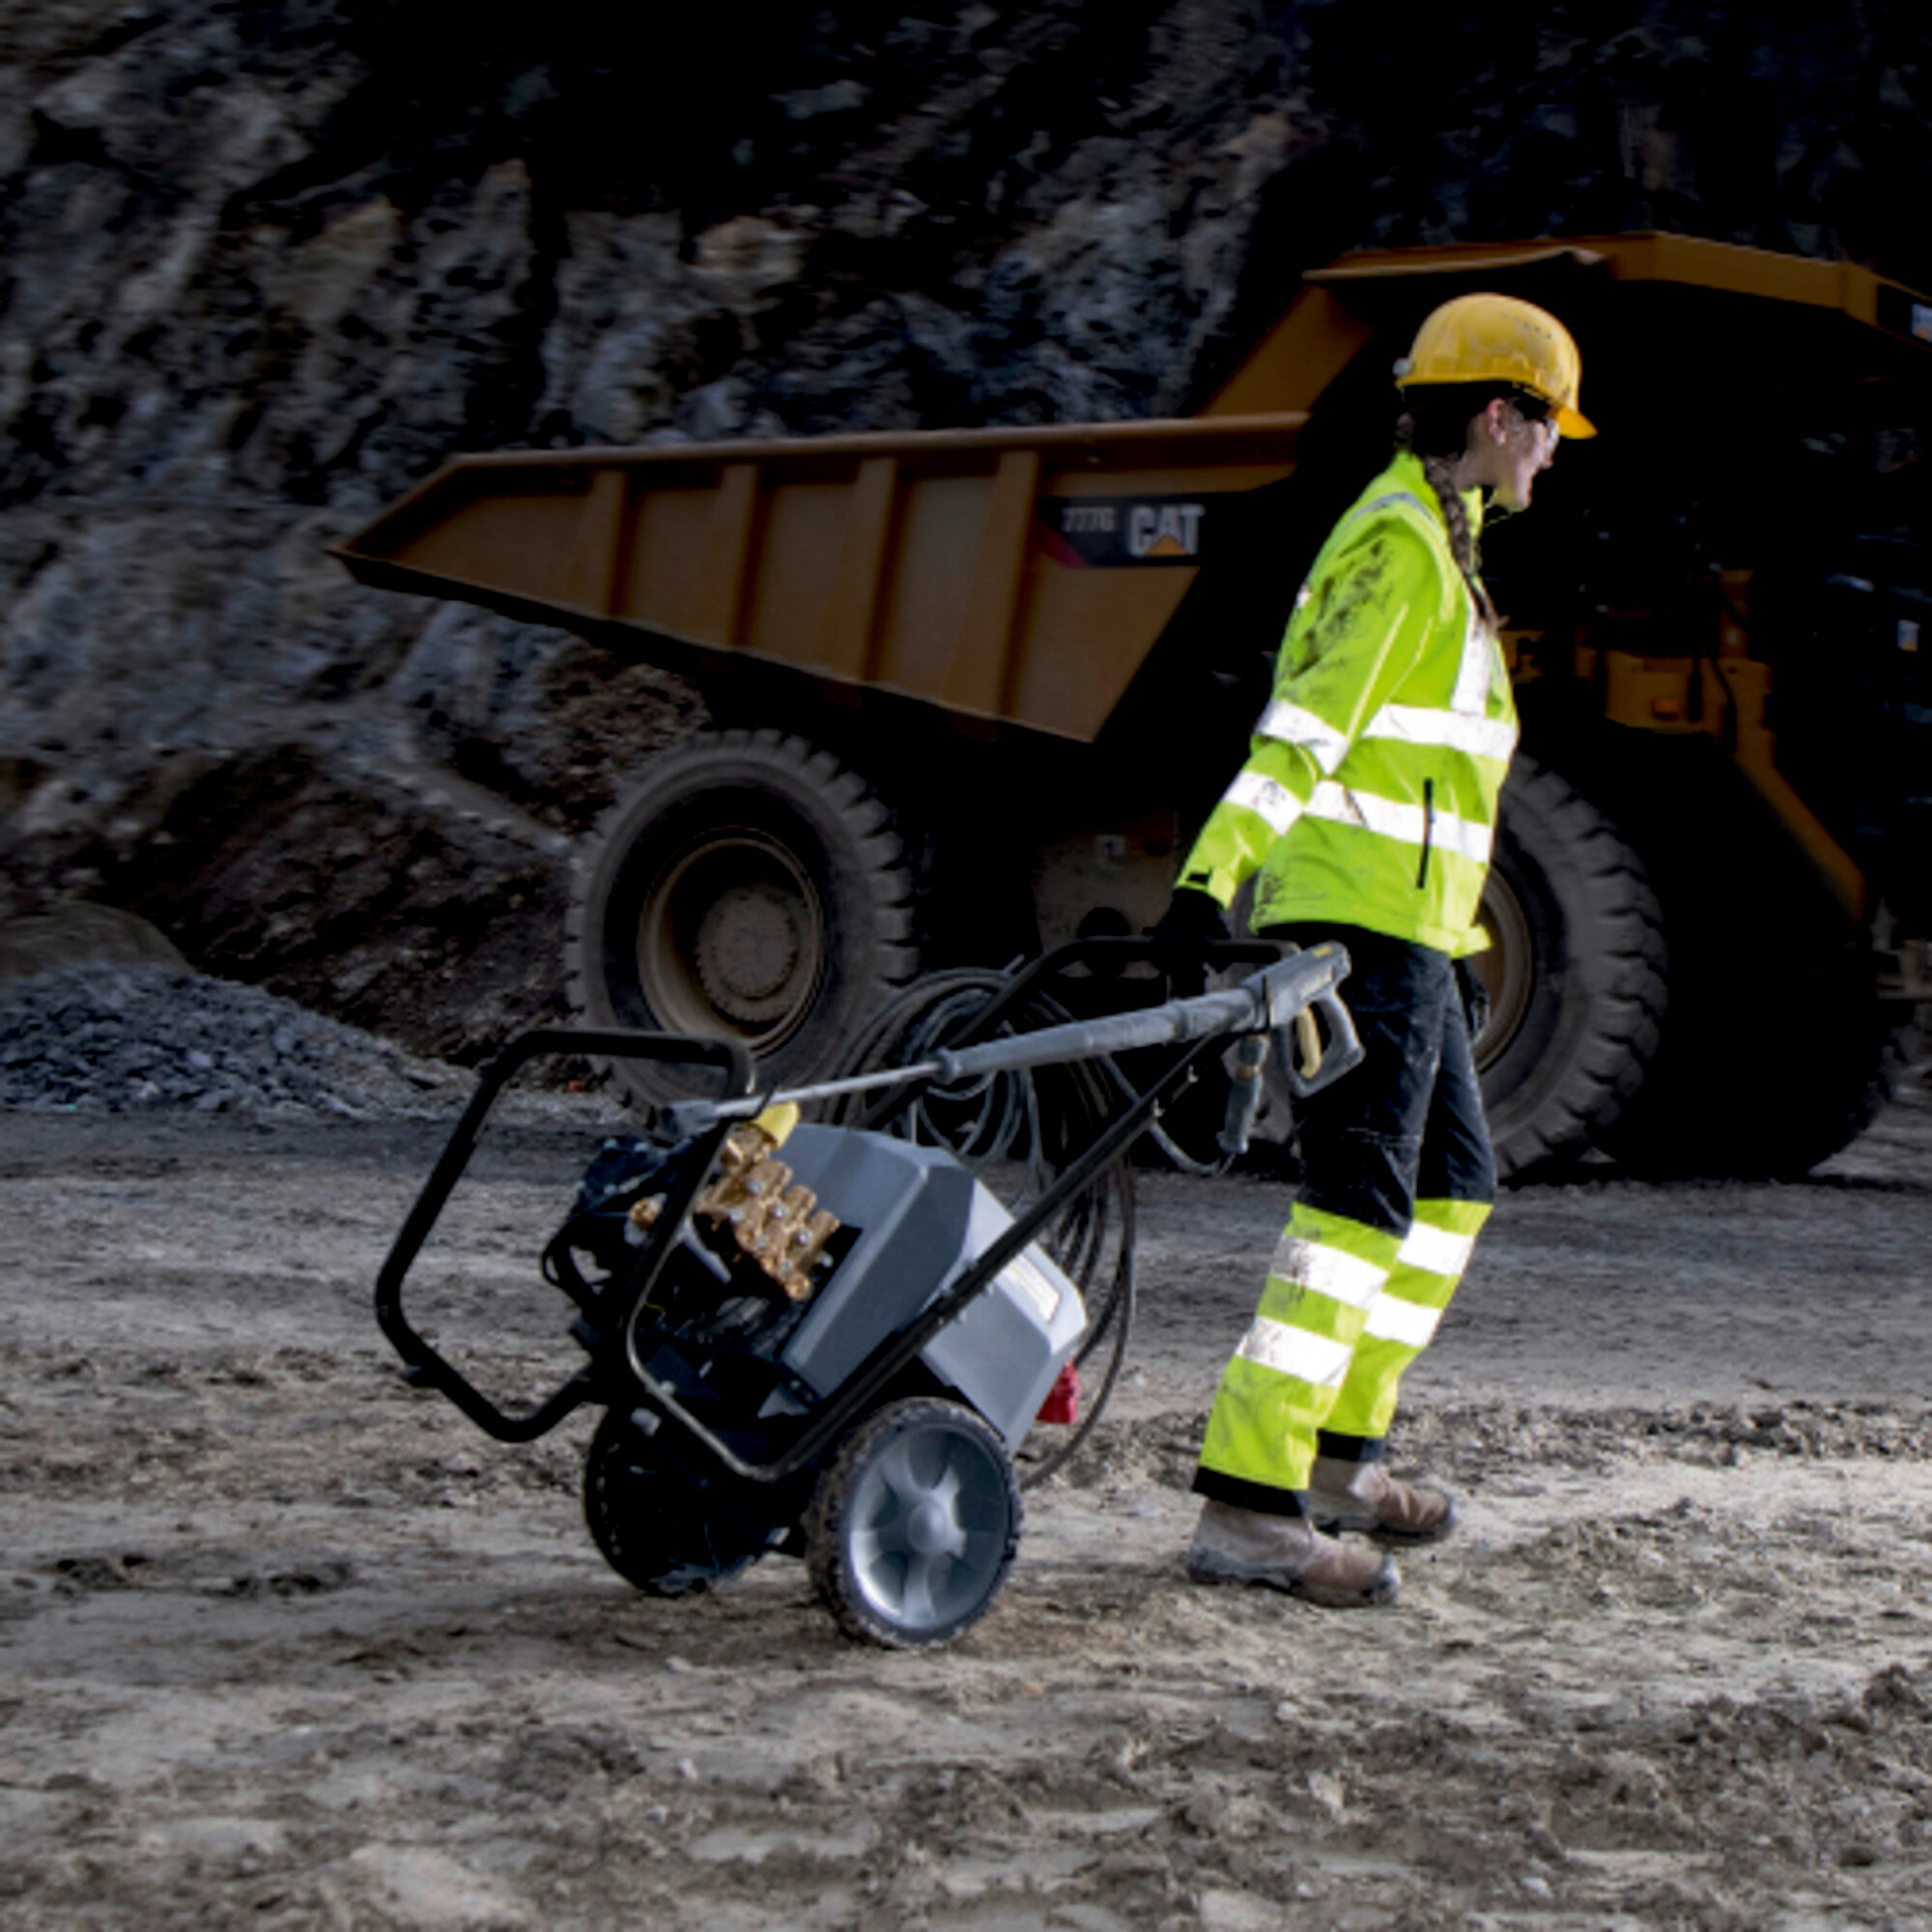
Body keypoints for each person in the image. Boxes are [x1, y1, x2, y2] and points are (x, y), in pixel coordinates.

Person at [1156, 293, 1595, 1608]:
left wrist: (1456, 931)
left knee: (1452, 1189)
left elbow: (1431, 773)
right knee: (1352, 1209)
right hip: (1352, 921)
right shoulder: (1398, 543)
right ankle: (1247, 1503)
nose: (1555, 452)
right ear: (1499, 414)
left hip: (1417, 929)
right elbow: (1307, 729)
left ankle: (1344, 1459)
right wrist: (1207, 886)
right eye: (1548, 426)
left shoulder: (1449, 546)